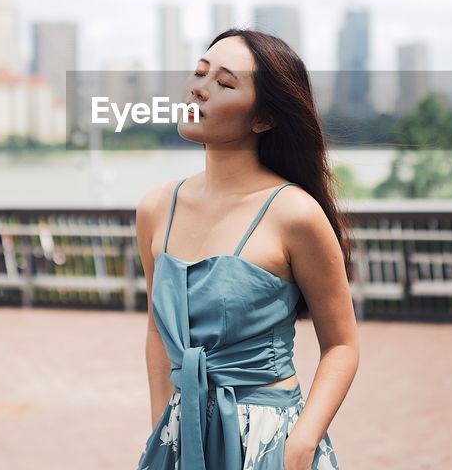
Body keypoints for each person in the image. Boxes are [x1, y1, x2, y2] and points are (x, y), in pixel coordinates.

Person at [135, 28, 359, 470]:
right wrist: (162, 424)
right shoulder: (156, 207)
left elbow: (342, 345)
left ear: (264, 119)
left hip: (269, 440)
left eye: (224, 82)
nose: (198, 88)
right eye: (200, 73)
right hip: (182, 437)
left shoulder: (294, 213)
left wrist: (302, 442)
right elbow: (157, 333)